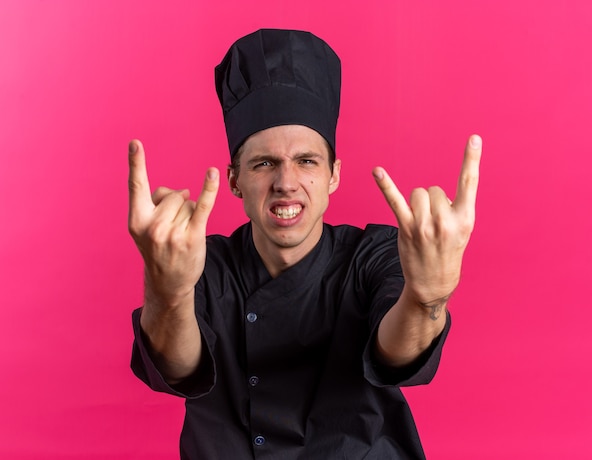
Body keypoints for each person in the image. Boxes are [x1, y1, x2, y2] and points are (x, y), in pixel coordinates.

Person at [128, 29, 481, 460]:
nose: (286, 183)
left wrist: (427, 297)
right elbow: (179, 368)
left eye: (307, 161)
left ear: (333, 174)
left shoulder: (375, 254)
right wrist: (169, 292)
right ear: (236, 180)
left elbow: (396, 355)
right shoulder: (203, 262)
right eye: (264, 163)